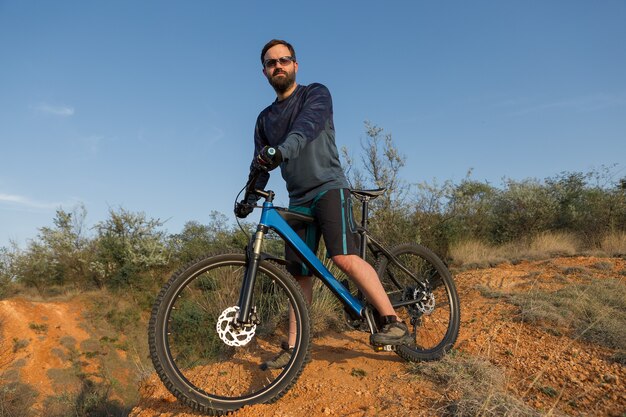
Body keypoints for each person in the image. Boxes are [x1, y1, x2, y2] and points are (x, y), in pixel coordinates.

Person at [236, 39, 410, 369]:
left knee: (343, 257)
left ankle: (392, 321)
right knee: (299, 274)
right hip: (298, 199)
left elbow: (305, 129)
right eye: (271, 62)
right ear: (264, 72)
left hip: (328, 188)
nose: (278, 66)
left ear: (295, 65)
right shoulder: (264, 119)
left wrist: (281, 151)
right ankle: (294, 347)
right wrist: (248, 196)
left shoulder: (315, 94)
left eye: (284, 60)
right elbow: (260, 162)